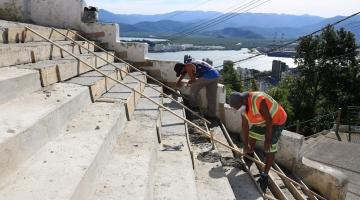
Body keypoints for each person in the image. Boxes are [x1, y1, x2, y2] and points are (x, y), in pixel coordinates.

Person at [229, 91, 287, 192]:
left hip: (276, 120)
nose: (238, 110)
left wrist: (268, 140)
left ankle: (265, 175)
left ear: (244, 100)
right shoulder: (242, 105)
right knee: (252, 137)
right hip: (262, 119)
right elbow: (245, 125)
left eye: (238, 107)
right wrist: (245, 144)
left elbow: (269, 121)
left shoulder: (258, 100)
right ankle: (249, 157)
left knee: (270, 147)